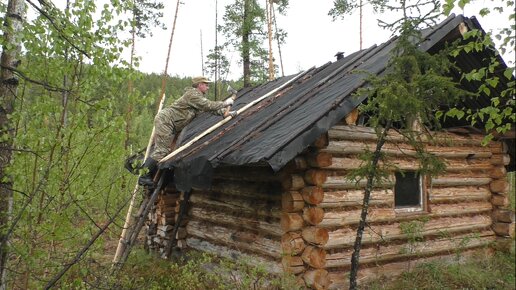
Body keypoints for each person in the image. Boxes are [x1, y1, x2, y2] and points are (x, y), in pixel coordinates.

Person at [138, 76, 237, 187]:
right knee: (162, 150)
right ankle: (143, 176)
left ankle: (149, 176)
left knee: (164, 151)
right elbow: (208, 105)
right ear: (200, 85)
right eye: (206, 84)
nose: (208, 87)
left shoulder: (198, 98)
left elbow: (210, 109)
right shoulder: (192, 95)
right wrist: (225, 103)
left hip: (172, 124)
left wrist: (226, 112)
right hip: (166, 120)